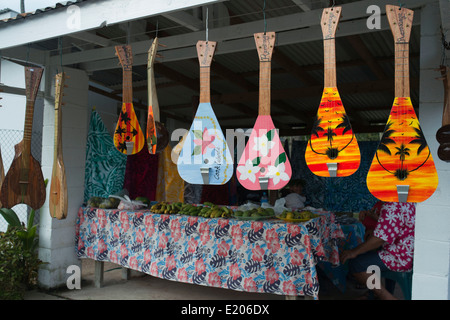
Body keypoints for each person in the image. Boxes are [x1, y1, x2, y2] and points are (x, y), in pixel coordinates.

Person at [340, 201, 416, 300]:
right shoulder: (409, 202)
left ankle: (387, 297)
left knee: (356, 264)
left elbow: (380, 239)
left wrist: (353, 252)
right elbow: (392, 227)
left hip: (399, 256)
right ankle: (374, 294)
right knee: (368, 255)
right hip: (409, 253)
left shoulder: (393, 206)